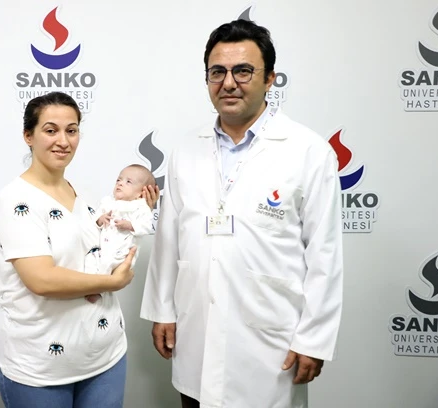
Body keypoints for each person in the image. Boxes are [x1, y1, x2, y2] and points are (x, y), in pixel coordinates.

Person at [140, 19, 343, 408]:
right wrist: (162, 309)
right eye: (217, 72)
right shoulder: (186, 149)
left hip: (271, 344)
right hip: (196, 335)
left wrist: (313, 339)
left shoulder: (308, 151)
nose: (229, 83)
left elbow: (325, 254)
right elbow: (168, 239)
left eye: (243, 71)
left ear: (270, 79)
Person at [0, 91, 158, 408]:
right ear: (28, 136)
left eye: (72, 130)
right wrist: (112, 282)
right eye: (50, 130)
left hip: (105, 357)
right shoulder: (16, 200)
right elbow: (42, 280)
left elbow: (106, 245)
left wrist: (138, 211)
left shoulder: (83, 194)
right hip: (40, 368)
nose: (63, 141)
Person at [90, 164, 155, 275]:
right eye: (118, 180)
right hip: (100, 249)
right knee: (89, 262)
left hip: (120, 253)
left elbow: (146, 226)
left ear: (141, 192)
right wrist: (101, 219)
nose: (120, 183)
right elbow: (94, 220)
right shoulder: (107, 203)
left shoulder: (141, 208)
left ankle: (100, 284)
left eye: (128, 182)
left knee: (108, 268)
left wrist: (130, 225)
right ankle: (91, 283)